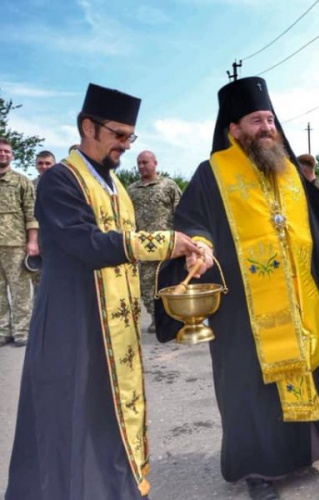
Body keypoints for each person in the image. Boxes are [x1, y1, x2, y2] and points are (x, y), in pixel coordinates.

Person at [154, 76, 319, 500]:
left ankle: (300, 455)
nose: (267, 127)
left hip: (299, 299)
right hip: (242, 308)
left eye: (270, 119)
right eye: (256, 121)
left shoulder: (287, 171)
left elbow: (312, 233)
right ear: (234, 128)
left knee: (303, 373)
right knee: (249, 389)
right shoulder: (212, 173)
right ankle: (258, 471)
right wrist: (200, 248)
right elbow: (193, 222)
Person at [5, 83, 201, 500]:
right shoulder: (59, 180)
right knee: (70, 416)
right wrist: (164, 242)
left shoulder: (116, 187)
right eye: (119, 135)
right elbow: (86, 243)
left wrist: (182, 251)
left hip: (116, 326)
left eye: (132, 137)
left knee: (107, 415)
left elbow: (123, 247)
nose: (126, 146)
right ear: (87, 127)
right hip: (72, 321)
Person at [127, 150, 182, 333]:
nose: (142, 166)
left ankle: (176, 318)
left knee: (171, 282)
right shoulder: (132, 190)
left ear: (155, 163)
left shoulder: (168, 185)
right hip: (144, 246)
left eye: (145, 162)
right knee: (147, 285)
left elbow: (179, 212)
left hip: (167, 245)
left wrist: (181, 238)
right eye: (139, 163)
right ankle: (155, 318)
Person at [0, 138, 37, 347]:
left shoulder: (22, 181)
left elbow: (31, 213)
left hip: (15, 245)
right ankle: (3, 330)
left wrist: (32, 242)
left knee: (20, 291)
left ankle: (22, 331)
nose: (3, 154)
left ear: (12, 155)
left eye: (6, 151)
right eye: (0, 151)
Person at [29, 151, 56, 293]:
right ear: (35, 165)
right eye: (40, 163)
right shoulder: (30, 186)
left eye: (48, 163)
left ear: (54, 165)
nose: (44, 166)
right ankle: (41, 313)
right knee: (39, 282)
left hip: (60, 240)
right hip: (39, 241)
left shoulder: (65, 184)